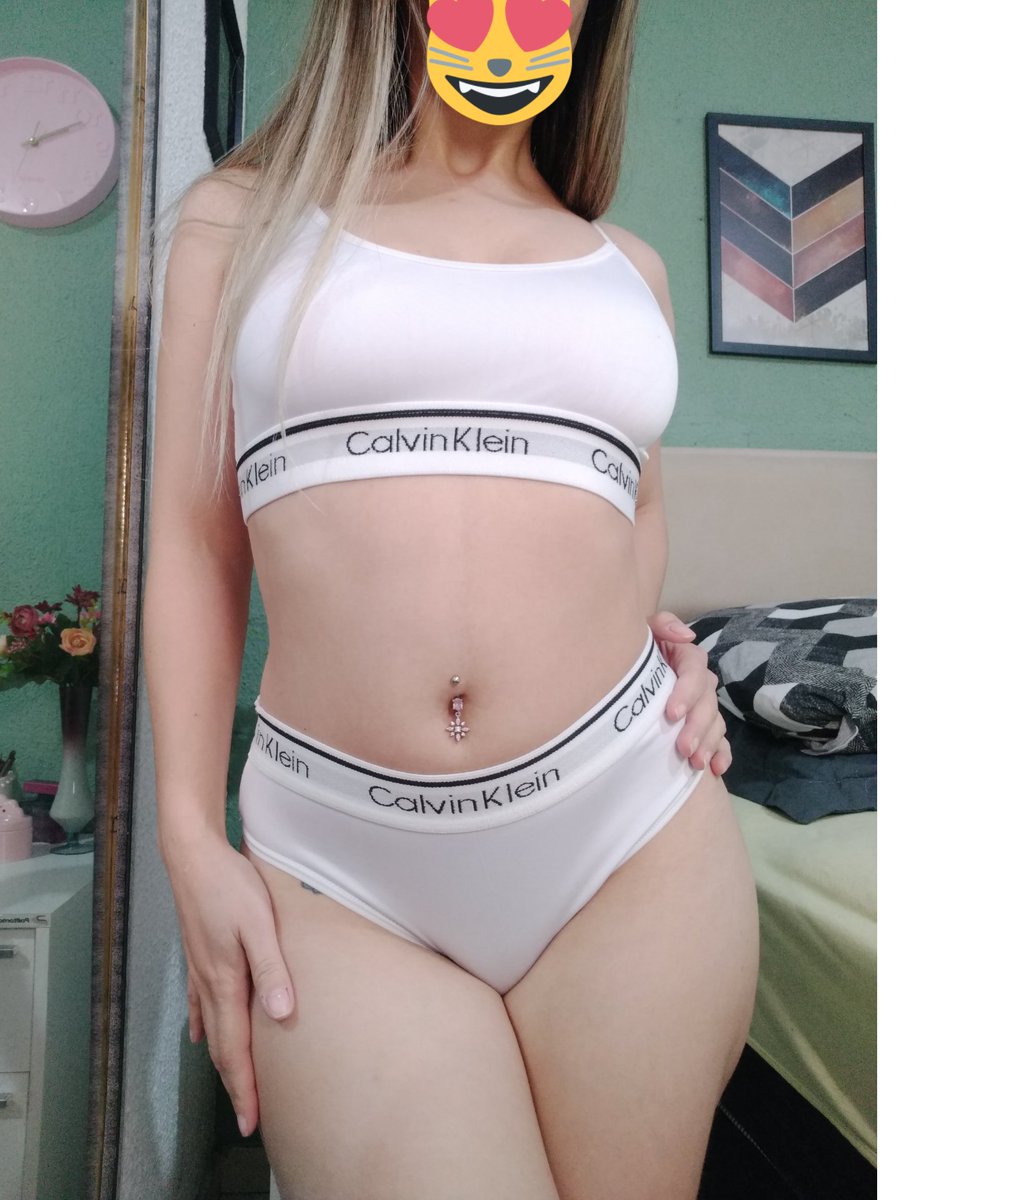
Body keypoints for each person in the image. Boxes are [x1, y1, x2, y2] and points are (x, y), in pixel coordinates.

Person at [143, 1, 758, 1196]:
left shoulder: (630, 270)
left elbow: (631, 508)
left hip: (627, 840)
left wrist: (659, 648)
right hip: (340, 865)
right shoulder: (241, 222)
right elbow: (195, 541)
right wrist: (186, 831)